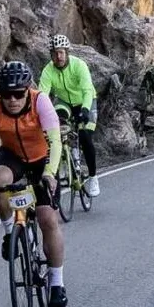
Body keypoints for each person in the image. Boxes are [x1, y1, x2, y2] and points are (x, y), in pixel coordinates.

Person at [0, 60, 68, 307]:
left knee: (48, 219)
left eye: (18, 94)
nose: (13, 99)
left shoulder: (40, 102)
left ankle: (57, 283)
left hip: (41, 158)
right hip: (12, 155)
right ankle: (10, 232)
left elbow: (55, 142)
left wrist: (49, 173)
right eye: (7, 94)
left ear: (28, 90)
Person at [38, 33, 100, 199]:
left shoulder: (79, 65)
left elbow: (87, 90)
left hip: (85, 100)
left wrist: (85, 110)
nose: (58, 57)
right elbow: (42, 96)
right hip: (64, 102)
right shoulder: (48, 70)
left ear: (67, 52)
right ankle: (65, 155)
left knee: (85, 136)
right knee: (57, 123)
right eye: (55, 53)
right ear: (51, 54)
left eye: (61, 52)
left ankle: (93, 177)